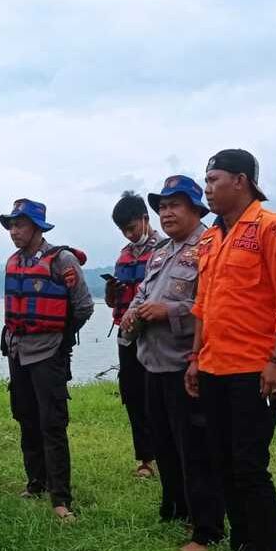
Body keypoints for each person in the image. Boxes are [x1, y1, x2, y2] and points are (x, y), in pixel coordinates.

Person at [186, 149, 276, 551]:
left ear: (241, 181)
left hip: (253, 372)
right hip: (214, 368)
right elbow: (203, 306)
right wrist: (195, 358)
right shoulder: (212, 240)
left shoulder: (274, 229)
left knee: (249, 468)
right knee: (223, 464)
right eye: (206, 180)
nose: (208, 188)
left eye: (214, 179)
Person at [122, 176, 225, 551]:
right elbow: (144, 293)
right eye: (162, 206)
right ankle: (176, 507)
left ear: (197, 209)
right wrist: (134, 314)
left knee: (195, 448)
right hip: (153, 361)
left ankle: (207, 528)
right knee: (163, 442)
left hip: (188, 363)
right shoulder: (161, 251)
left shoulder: (211, 247)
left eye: (175, 205)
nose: (166, 212)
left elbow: (213, 306)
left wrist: (170, 311)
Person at [0, 199, 94, 521]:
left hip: (48, 353)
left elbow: (83, 306)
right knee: (26, 417)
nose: (14, 231)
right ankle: (35, 482)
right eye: (12, 225)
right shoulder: (13, 261)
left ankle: (60, 498)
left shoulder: (61, 259)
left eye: (20, 224)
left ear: (37, 227)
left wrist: (62, 339)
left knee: (52, 423)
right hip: (17, 351)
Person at [109, 191, 160, 479]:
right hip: (126, 333)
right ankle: (145, 458)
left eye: (131, 227)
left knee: (158, 396)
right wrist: (112, 294)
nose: (128, 235)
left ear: (145, 218)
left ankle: (168, 452)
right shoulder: (124, 256)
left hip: (156, 335)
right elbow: (116, 301)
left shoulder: (166, 248)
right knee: (133, 394)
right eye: (123, 230)